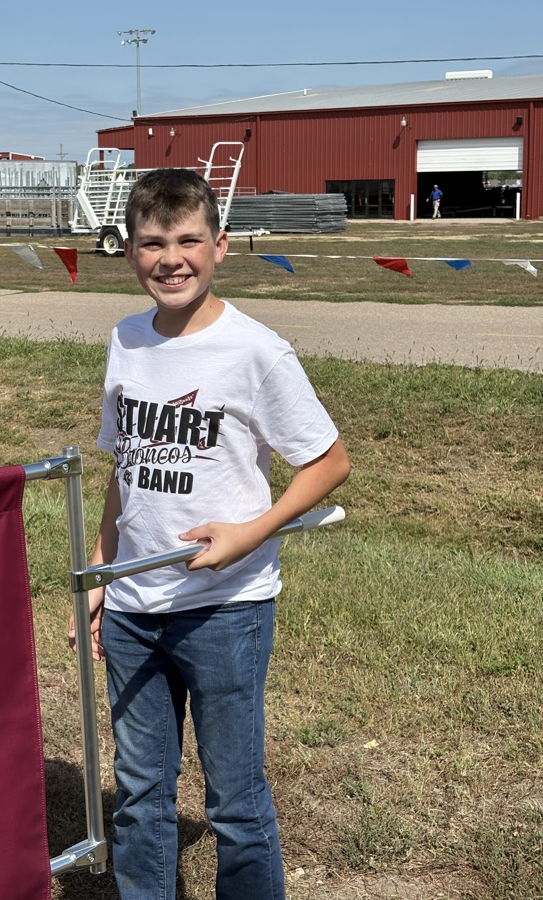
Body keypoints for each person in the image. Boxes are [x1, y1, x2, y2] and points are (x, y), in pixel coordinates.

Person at [69, 168, 351, 900]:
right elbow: (122, 469)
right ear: (129, 251)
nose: (172, 258)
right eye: (153, 242)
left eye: (189, 239)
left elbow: (329, 462)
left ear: (220, 244)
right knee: (139, 797)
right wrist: (101, 572)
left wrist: (251, 533)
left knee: (234, 801)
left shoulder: (256, 350)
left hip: (226, 610)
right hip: (132, 612)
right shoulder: (126, 340)